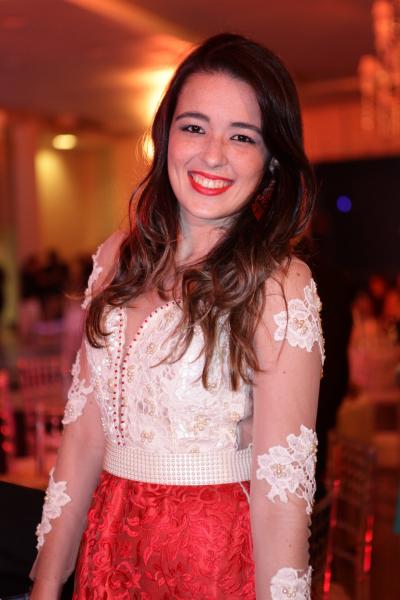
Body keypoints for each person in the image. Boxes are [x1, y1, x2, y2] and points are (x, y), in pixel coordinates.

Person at [30, 33, 324, 599]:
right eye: (194, 127)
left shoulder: (280, 285)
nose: (212, 155)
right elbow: (83, 439)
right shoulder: (116, 258)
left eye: (242, 136)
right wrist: (46, 584)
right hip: (106, 553)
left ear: (270, 161)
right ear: (166, 137)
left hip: (207, 566)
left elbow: (281, 491)